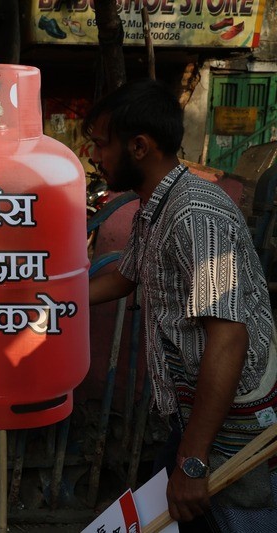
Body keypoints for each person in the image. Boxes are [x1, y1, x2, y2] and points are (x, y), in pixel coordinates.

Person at [83, 79, 277, 531]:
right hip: (193, 407)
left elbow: (229, 335)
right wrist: (53, 299)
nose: (95, 157)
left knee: (228, 519)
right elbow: (126, 276)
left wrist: (193, 461)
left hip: (230, 421)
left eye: (100, 145)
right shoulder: (154, 204)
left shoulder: (195, 215)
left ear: (138, 146)